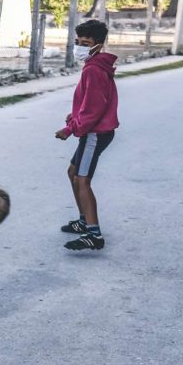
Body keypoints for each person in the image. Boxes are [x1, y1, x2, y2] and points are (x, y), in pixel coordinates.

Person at [56, 19, 119, 251]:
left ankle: (94, 234)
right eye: (78, 42)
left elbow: (93, 110)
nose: (80, 46)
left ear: (98, 45)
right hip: (94, 130)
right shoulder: (96, 66)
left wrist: (69, 129)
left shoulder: (93, 69)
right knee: (73, 171)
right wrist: (74, 117)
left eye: (86, 43)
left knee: (82, 180)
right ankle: (84, 221)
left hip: (95, 133)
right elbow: (90, 103)